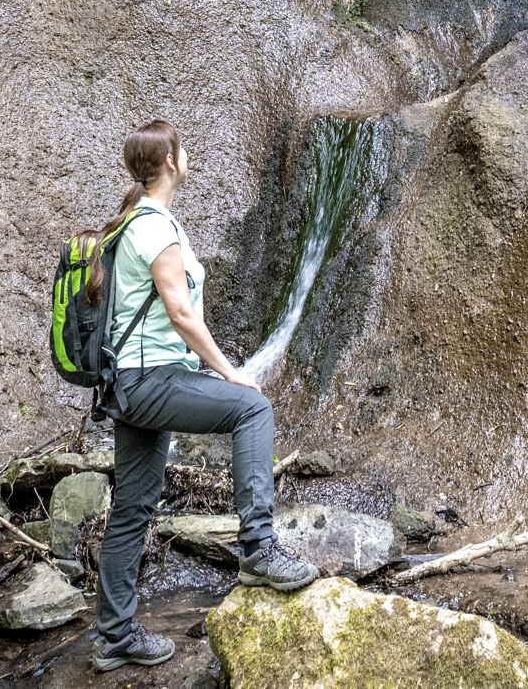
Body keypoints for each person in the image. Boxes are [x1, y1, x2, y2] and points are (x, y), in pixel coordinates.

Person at [86, 119, 317, 672]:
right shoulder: (154, 228)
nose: (187, 155)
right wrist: (230, 371)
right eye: (182, 149)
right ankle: (259, 548)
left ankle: (114, 637)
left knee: (132, 507)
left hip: (131, 383)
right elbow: (181, 313)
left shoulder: (138, 222)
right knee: (252, 408)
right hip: (151, 380)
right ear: (170, 161)